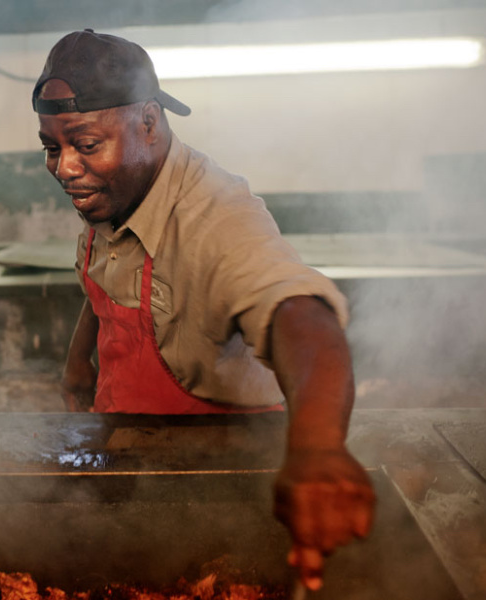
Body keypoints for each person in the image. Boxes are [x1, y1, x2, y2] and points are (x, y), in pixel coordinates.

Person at [32, 29, 375, 591]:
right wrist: (79, 360)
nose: (65, 168)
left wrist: (318, 450)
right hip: (130, 456)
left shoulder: (217, 216)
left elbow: (303, 319)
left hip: (219, 485)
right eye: (52, 147)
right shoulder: (114, 191)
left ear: (148, 121)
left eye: (86, 144)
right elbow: (106, 273)